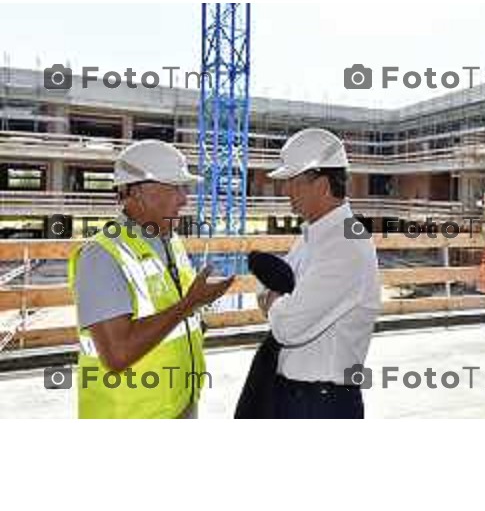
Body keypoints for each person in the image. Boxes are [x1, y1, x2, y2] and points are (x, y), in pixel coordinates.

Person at [69, 140, 234, 419]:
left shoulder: (168, 239)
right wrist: (190, 304)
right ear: (138, 192)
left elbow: (167, 311)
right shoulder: (102, 255)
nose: (184, 199)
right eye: (175, 188)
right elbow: (117, 354)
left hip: (179, 402)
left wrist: (196, 313)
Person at [258, 128, 381, 419]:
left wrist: (277, 301)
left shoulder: (345, 244)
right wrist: (280, 300)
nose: (285, 191)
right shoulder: (314, 234)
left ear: (323, 185)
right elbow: (268, 291)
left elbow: (287, 326)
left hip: (323, 402)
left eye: (293, 183)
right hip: (301, 395)